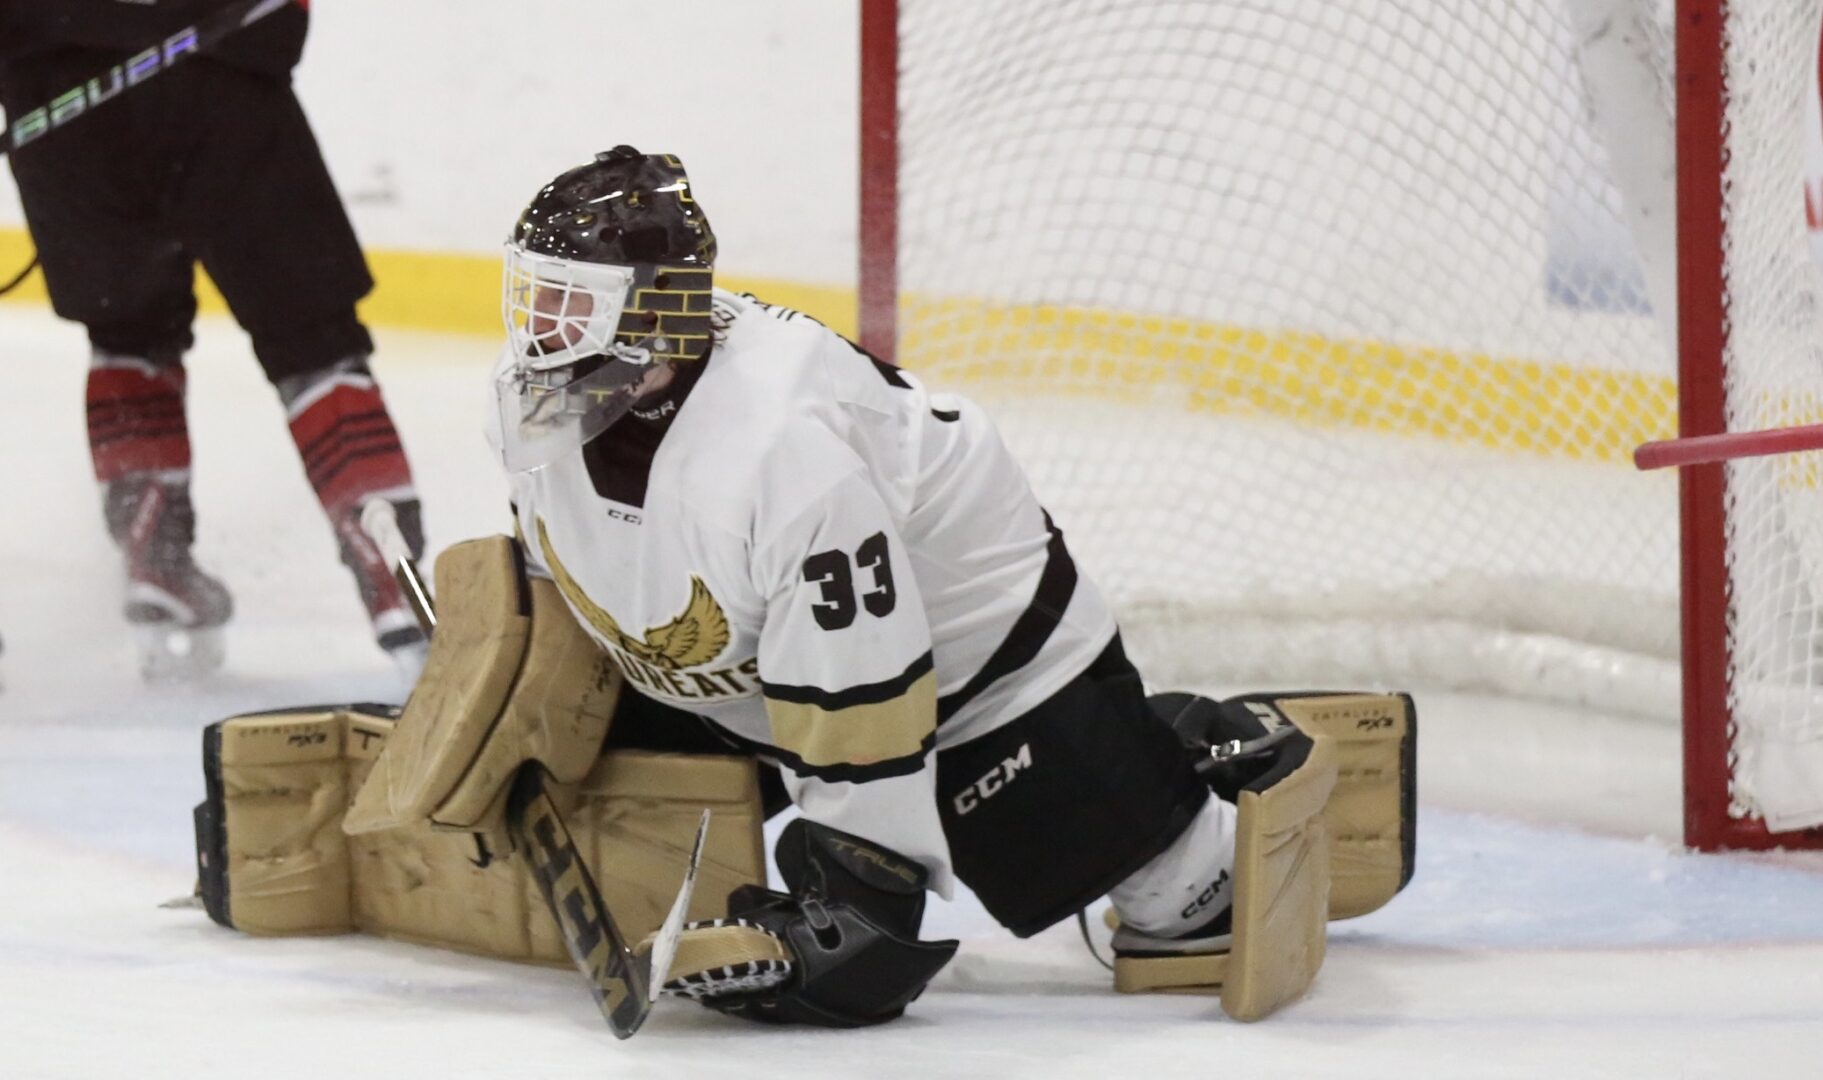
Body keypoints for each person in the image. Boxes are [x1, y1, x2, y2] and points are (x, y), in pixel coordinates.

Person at [473, 147, 1417, 1025]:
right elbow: (575, 572)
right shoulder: (542, 400)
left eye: (568, 305)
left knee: (1181, 909)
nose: (537, 333)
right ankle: (1139, 749)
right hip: (751, 670)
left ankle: (1191, 767)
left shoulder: (784, 456)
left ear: (655, 314)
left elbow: (861, 692)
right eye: (532, 297)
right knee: (625, 800)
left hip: (979, 676)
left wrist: (858, 906)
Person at [0, 1, 426, 680]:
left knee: (129, 331)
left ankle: (156, 559)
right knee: (314, 343)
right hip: (219, 73)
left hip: (55, 97)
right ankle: (392, 577)